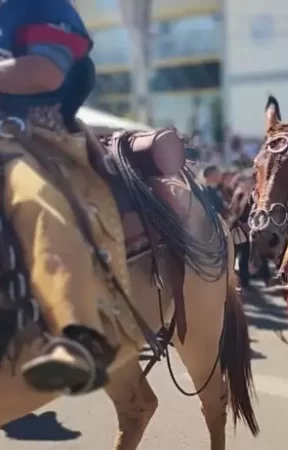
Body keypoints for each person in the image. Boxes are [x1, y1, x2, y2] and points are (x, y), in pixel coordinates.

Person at [0, 0, 138, 394]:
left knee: (33, 197)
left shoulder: (40, 4)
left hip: (26, 136)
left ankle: (78, 334)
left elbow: (44, 71)